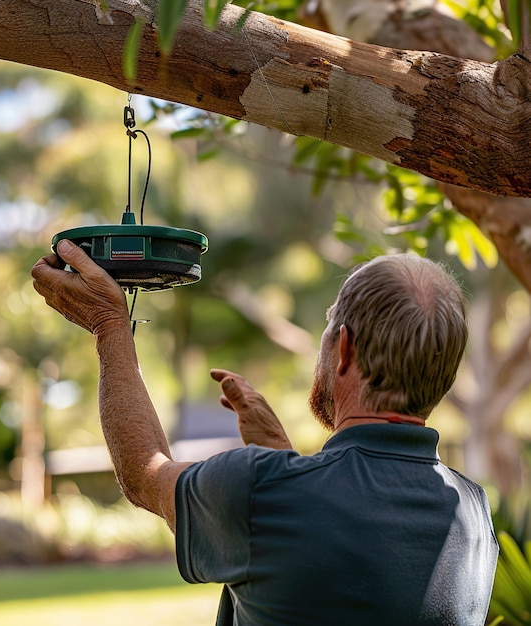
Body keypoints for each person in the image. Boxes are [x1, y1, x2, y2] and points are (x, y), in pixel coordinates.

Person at [32, 241, 498, 625]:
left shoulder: (265, 489)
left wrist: (108, 325)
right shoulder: (474, 514)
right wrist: (282, 458)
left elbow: (143, 472)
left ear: (344, 349)